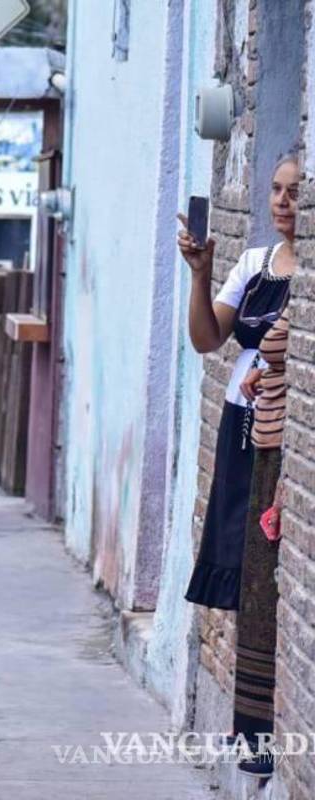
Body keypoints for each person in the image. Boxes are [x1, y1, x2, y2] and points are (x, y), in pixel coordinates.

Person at [179, 154, 300, 776]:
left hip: (282, 434)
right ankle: (247, 727)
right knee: (244, 566)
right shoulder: (255, 264)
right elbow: (207, 339)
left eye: (295, 192)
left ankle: (264, 732)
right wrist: (200, 275)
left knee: (269, 570)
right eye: (276, 190)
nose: (282, 202)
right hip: (240, 426)